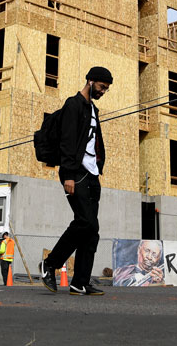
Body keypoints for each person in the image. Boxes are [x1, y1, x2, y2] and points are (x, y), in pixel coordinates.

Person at [39, 66, 112, 296]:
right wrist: (68, 174)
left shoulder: (93, 109)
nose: (103, 91)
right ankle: (50, 264)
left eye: (106, 89)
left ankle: (79, 282)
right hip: (76, 172)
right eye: (101, 87)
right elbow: (68, 142)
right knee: (85, 222)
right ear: (90, 81)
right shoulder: (73, 105)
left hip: (92, 174)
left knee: (93, 229)